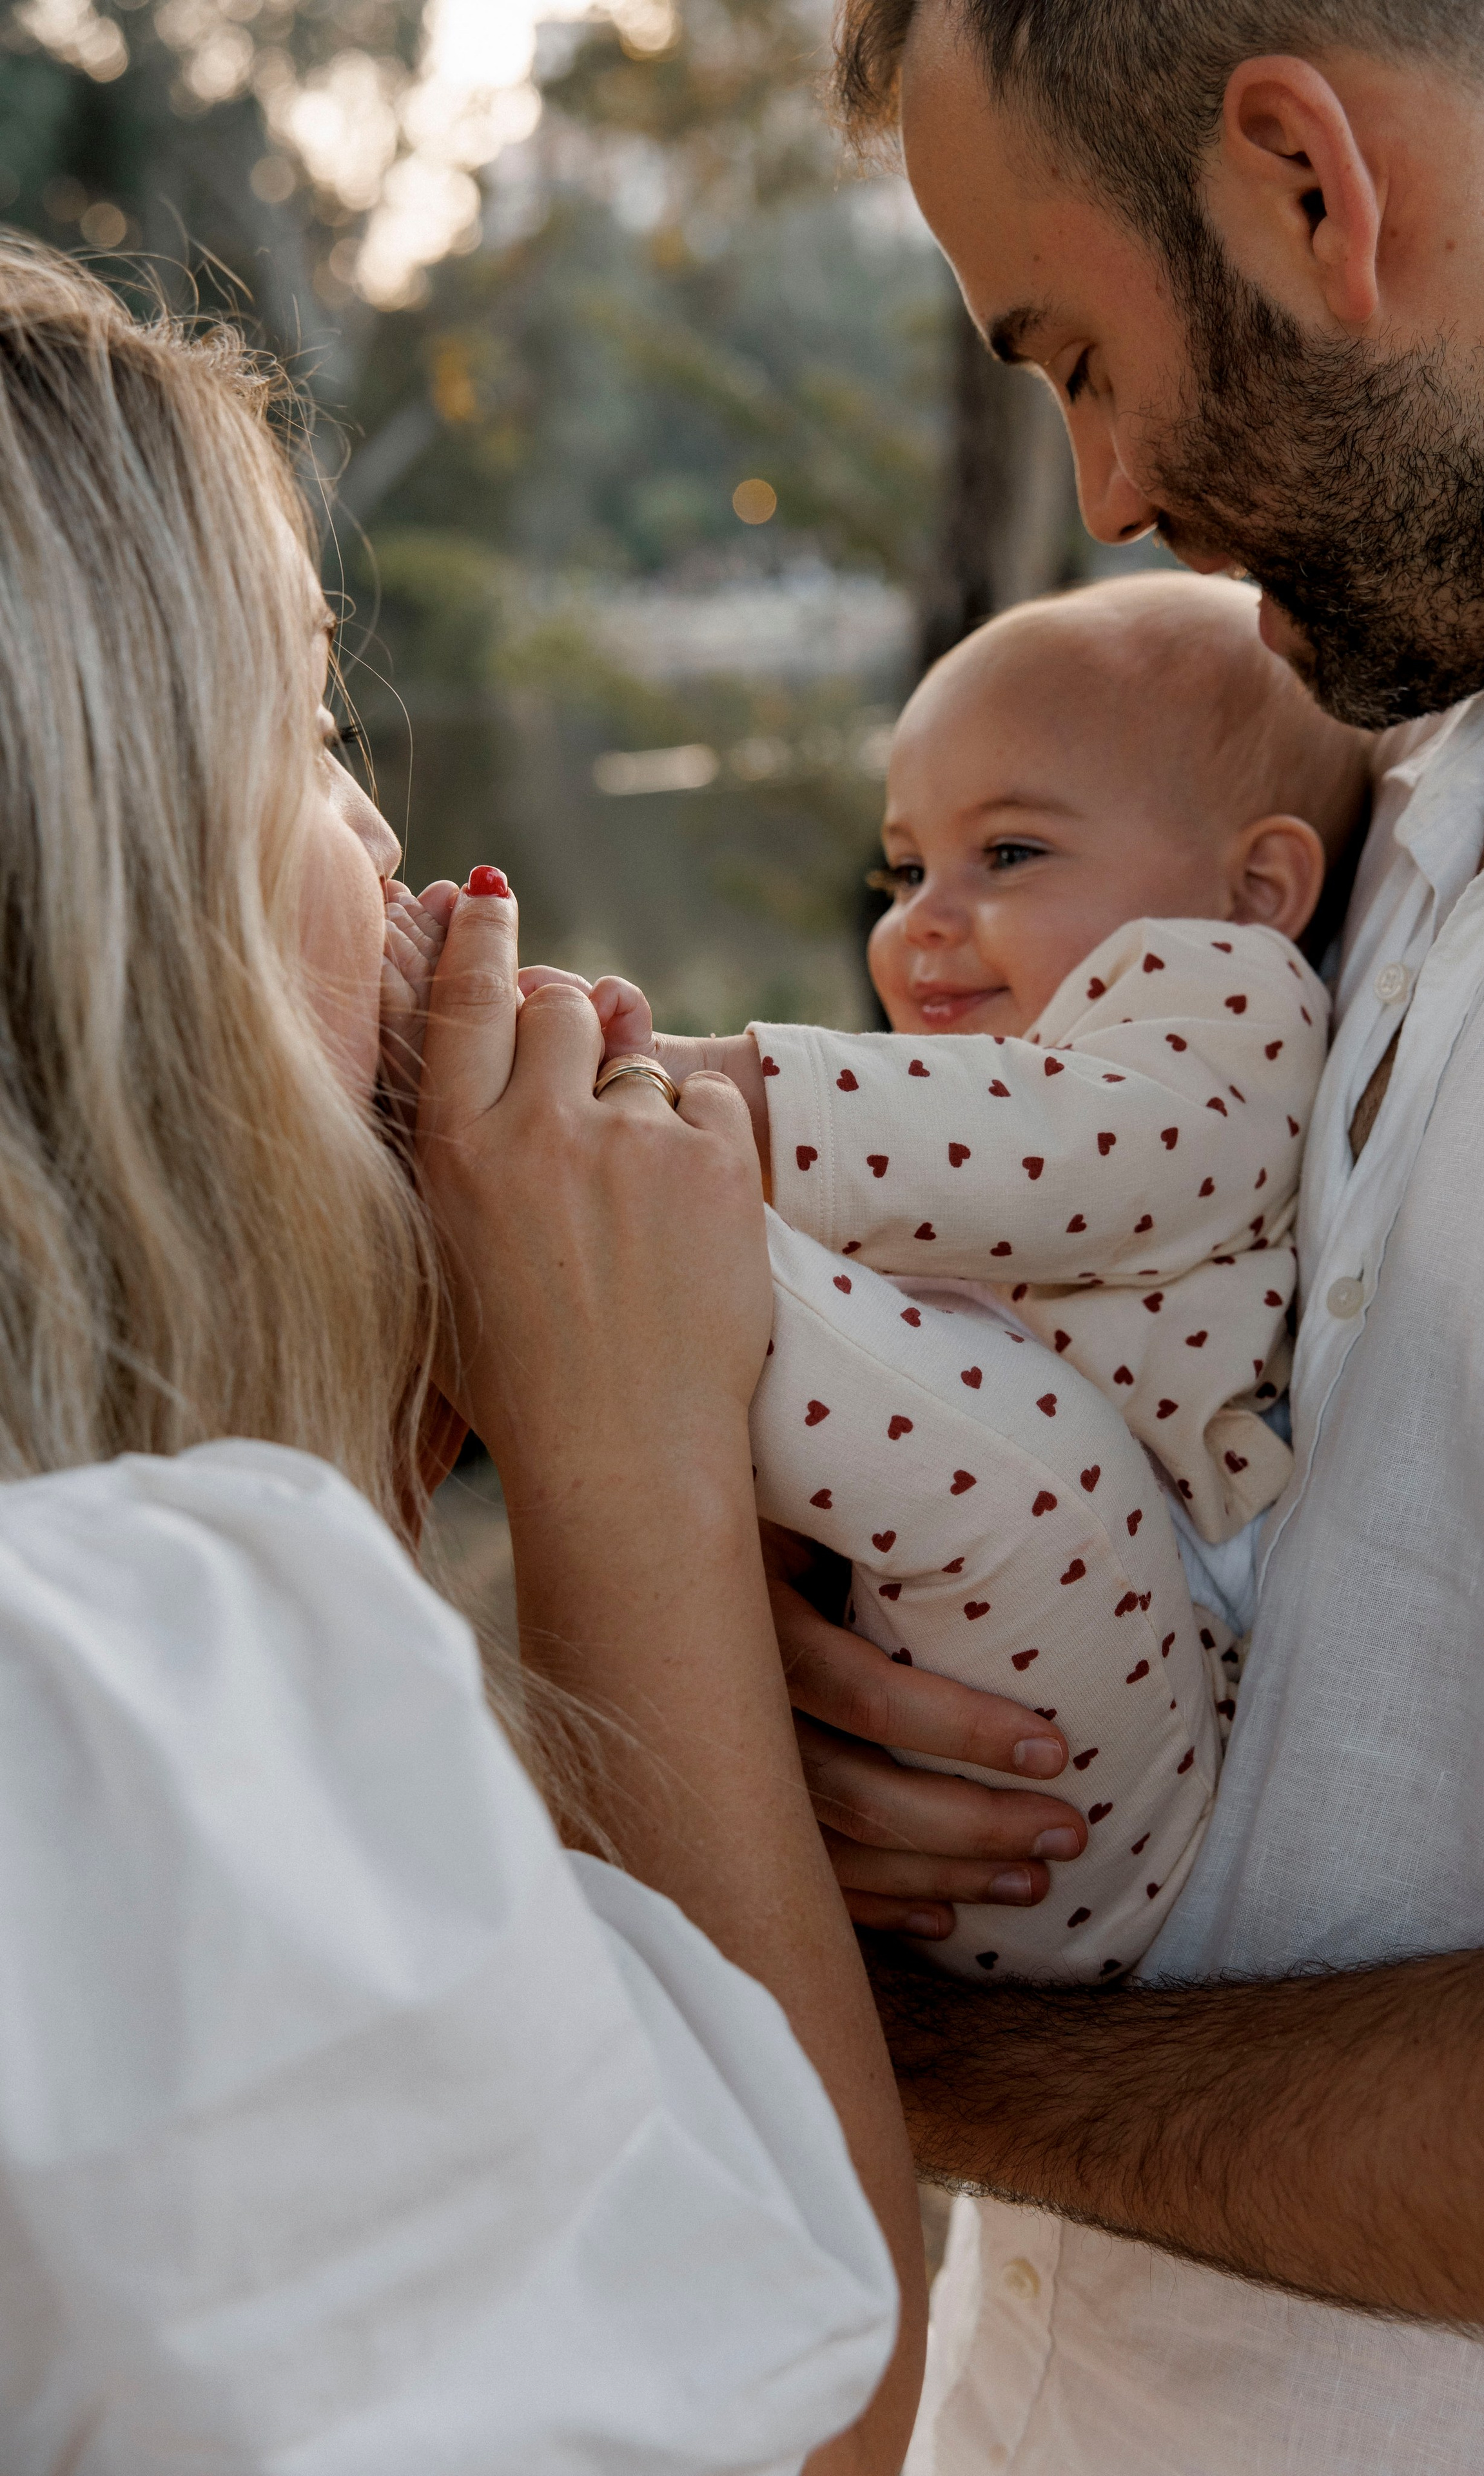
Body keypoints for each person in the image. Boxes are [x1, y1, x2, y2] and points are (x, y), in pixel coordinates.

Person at [742, 0, 1484, 2468]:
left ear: (1305, 184)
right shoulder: (1369, 774)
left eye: (1076, 357)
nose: (1112, 486)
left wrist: (900, 2045)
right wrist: (844, 1659)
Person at [0, 239, 926, 2471]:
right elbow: (801, 2408)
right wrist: (631, 1459)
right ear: (122, 880)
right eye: (311, 731)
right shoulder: (131, 1693)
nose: (391, 836)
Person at [538, 575, 1366, 1981]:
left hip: (1127, 1790)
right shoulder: (1000, 1092)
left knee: (1027, 1454)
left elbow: (1035, 1146)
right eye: (903, 870)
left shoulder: (1232, 1026)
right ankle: (555, 1205)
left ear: (1255, 890)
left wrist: (703, 1087)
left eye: (1011, 855)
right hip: (955, 1761)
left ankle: (556, 1177)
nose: (924, 918)